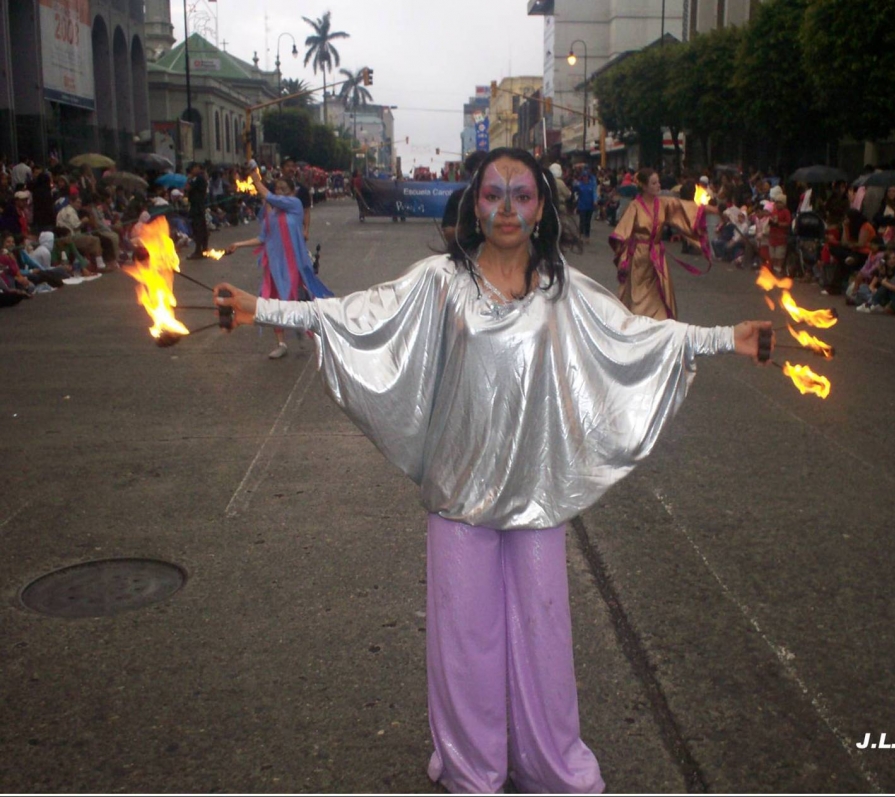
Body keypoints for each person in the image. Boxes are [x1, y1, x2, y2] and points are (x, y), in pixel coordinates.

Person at [213, 147, 772, 795]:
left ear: (541, 208)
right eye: (494, 193)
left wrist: (730, 336)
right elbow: (351, 315)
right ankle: (473, 766)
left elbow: (638, 335)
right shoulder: (440, 281)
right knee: (466, 638)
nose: (507, 208)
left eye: (522, 194)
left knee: (542, 631)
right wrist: (263, 309)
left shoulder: (564, 289)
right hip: (461, 489)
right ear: (474, 204)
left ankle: (546, 762)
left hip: (537, 489)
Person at [224, 169, 333, 360]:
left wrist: (257, 181)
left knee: (300, 300)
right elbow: (263, 238)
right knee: (272, 302)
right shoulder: (272, 215)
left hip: (295, 266)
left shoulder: (295, 204)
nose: (280, 192)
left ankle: (318, 336)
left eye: (284, 189)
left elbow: (270, 197)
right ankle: (281, 343)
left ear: (292, 192)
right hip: (274, 266)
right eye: (278, 188)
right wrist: (238, 245)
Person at [610, 167, 702, 320]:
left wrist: (711, 211)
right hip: (639, 256)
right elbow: (622, 233)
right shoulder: (635, 206)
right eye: (653, 183)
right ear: (644, 186)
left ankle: (659, 322)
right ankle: (638, 322)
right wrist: (623, 257)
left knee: (660, 294)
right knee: (638, 294)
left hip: (657, 255)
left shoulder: (664, 204)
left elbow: (684, 210)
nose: (658, 185)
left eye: (658, 182)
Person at [440, 150, 486, 244]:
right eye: (477, 170)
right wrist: (469, 228)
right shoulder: (459, 197)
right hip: (465, 250)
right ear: (471, 172)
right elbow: (447, 232)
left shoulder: (502, 197)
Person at [281, 157, 312, 240]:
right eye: (287, 166)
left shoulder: (302, 189)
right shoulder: (273, 187)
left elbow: (306, 211)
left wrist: (306, 230)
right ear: (282, 169)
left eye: (293, 166)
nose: (291, 169)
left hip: (295, 230)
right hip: (278, 229)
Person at [185, 162, 209, 260]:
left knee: (198, 229)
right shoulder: (201, 178)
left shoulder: (198, 179)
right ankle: (204, 249)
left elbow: (188, 188)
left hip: (197, 207)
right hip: (198, 206)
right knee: (201, 228)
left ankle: (199, 251)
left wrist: (189, 180)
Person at [767, 187, 791, 276]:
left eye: (779, 202)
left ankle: (778, 269)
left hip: (781, 237)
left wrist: (779, 224)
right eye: (776, 202)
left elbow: (788, 223)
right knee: (772, 255)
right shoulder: (774, 211)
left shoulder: (786, 212)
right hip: (773, 236)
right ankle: (773, 269)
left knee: (779, 255)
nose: (777, 204)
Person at [574, 168, 597, 240]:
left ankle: (587, 236)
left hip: (590, 206)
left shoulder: (592, 185)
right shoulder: (579, 185)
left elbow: (594, 193)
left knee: (588, 222)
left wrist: (595, 201)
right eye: (584, 176)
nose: (585, 178)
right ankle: (580, 235)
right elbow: (574, 191)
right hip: (582, 205)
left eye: (586, 176)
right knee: (582, 221)